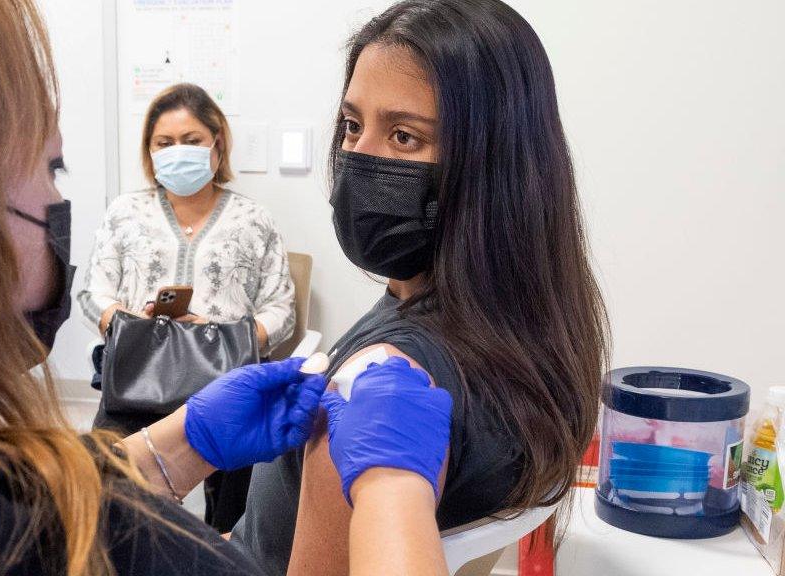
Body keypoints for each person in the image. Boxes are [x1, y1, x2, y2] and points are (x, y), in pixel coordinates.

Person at [0, 1, 456, 574]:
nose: (56, 199)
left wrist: (174, 446)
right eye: (52, 167)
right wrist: (392, 497)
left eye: (403, 137)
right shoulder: (84, 546)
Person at [230, 1, 609, 574]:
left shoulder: (385, 378)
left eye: (405, 137)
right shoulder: (535, 328)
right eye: (353, 126)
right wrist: (181, 447)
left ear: (491, 167)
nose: (359, 158)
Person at [77, 82, 296, 531]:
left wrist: (218, 337)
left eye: (191, 141)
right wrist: (134, 325)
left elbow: (281, 307)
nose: (178, 151)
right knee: (106, 493)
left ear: (217, 144)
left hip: (225, 377)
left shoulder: (253, 220)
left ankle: (224, 545)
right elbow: (91, 292)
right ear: (150, 151)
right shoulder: (125, 213)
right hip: (139, 377)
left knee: (239, 503)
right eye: (165, 143)